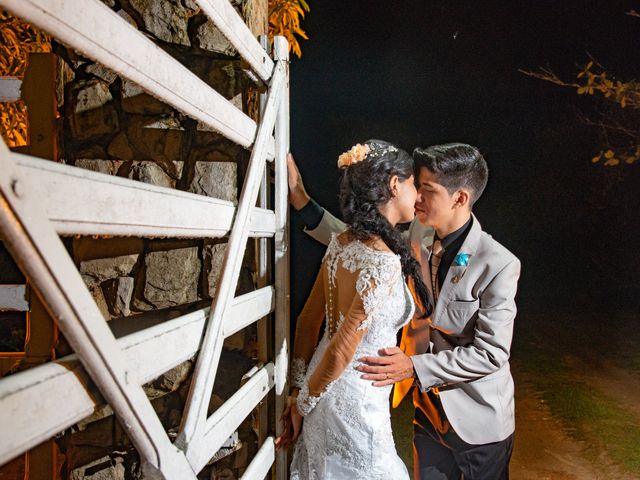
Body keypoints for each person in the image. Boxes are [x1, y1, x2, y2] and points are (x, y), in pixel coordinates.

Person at [288, 143, 521, 480]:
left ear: (460, 199)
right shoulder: (415, 236)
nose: (417, 198)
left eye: (427, 190)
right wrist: (302, 202)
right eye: (417, 187)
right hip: (425, 413)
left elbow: (491, 353)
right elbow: (355, 243)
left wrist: (413, 366)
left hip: (479, 421)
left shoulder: (498, 263)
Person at [275, 140, 432, 480]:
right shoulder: (382, 264)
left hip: (322, 390)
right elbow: (343, 348)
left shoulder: (341, 243)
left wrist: (299, 390)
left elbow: (308, 323)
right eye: (413, 185)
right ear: (394, 185)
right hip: (355, 406)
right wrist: (301, 405)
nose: (417, 195)